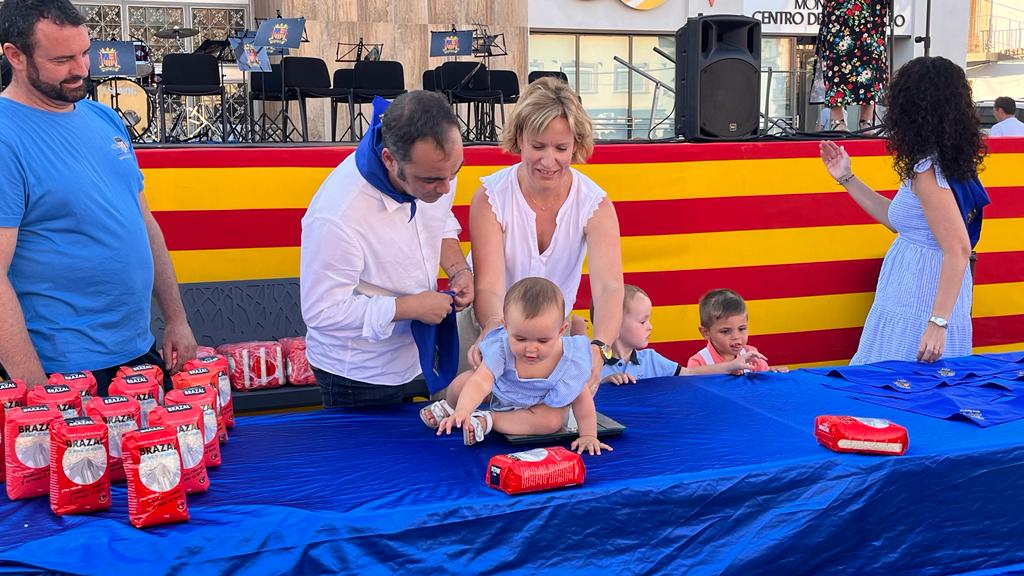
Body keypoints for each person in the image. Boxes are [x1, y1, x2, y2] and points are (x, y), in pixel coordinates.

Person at [0, 0, 196, 394]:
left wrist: (176, 319)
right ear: (15, 56)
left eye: (85, 53)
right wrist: (33, 391)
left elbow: (143, 225)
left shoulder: (103, 118)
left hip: (137, 353)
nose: (81, 69)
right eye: (62, 59)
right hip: (63, 372)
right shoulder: (6, 137)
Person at [300, 91, 474, 408]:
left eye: (456, 172)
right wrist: (410, 307)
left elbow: (438, 219)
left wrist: (459, 270)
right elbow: (321, 311)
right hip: (357, 374)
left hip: (415, 356)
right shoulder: (337, 215)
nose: (447, 187)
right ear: (390, 160)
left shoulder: (436, 166)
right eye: (433, 180)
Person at [819, 56, 988, 364]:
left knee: (895, 389)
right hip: (917, 291)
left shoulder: (926, 169)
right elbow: (898, 221)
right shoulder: (941, 163)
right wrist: (846, 177)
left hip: (918, 296)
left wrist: (937, 323)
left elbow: (958, 249)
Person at [463, 76, 623, 395]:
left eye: (561, 148)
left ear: (576, 145)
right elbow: (488, 285)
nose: (548, 161)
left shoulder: (597, 205)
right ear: (519, 138)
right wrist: (494, 331)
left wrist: (599, 348)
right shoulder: (489, 197)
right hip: (489, 327)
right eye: (538, 146)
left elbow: (609, 287)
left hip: (549, 339)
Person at [423, 277, 610, 455]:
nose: (531, 349)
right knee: (463, 382)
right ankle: (451, 409)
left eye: (543, 340)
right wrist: (464, 408)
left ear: (561, 331)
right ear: (506, 327)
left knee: (552, 422)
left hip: (538, 404)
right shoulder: (501, 347)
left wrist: (588, 435)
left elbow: (582, 398)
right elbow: (481, 381)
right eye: (520, 338)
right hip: (500, 390)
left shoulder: (570, 358)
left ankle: (489, 420)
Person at [597, 285, 765, 385]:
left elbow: (690, 374)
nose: (650, 327)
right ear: (615, 323)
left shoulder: (651, 359)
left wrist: (733, 365)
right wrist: (603, 384)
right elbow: (577, 397)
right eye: (643, 322)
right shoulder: (591, 362)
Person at [816, 0, 888, 131]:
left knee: (871, 61)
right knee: (837, 60)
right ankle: (837, 120)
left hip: (871, 10)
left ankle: (866, 121)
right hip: (840, 9)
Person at [687, 289, 787, 374]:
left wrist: (773, 373)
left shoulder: (751, 355)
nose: (736, 336)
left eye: (741, 329)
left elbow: (762, 383)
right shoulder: (698, 363)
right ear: (705, 332)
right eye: (725, 331)